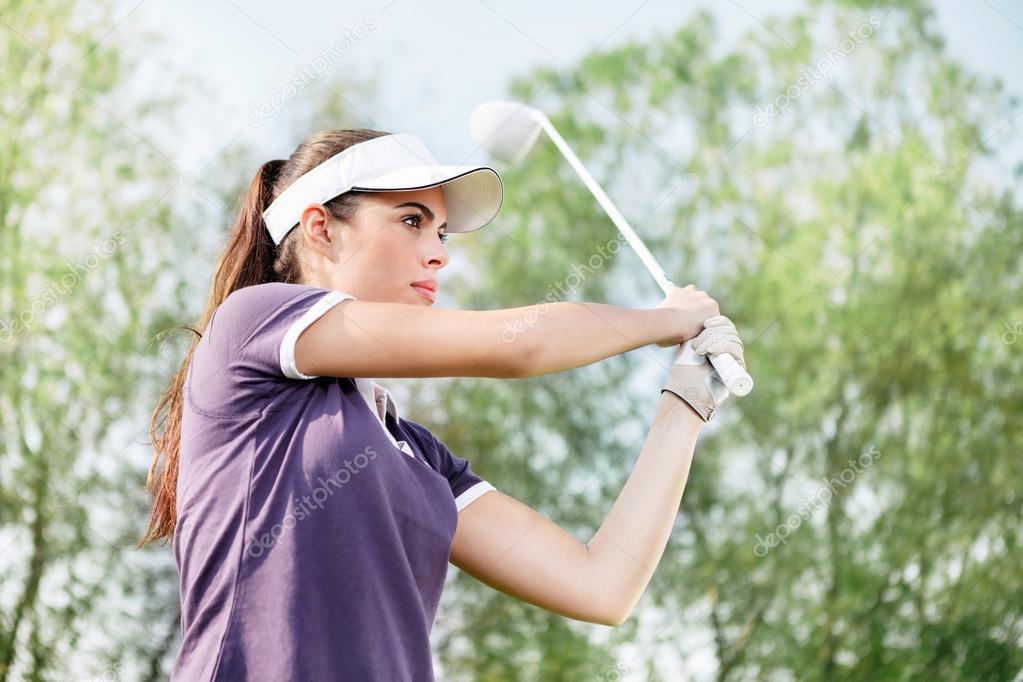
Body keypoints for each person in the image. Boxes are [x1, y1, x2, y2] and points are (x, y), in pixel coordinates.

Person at [139, 129, 747, 680]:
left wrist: (686, 399)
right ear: (320, 227)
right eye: (410, 220)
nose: (439, 253)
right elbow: (520, 346)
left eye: (441, 232)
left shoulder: (415, 454)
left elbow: (600, 586)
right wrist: (666, 320)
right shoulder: (252, 323)